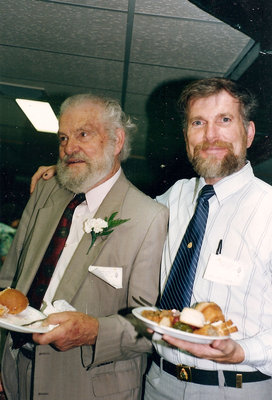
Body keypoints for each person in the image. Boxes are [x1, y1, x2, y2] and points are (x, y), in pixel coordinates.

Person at [27, 77, 272, 399]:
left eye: (224, 120)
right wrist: (66, 171)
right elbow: (115, 199)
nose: (211, 135)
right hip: (157, 383)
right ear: (186, 135)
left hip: (236, 386)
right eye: (198, 123)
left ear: (249, 132)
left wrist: (240, 351)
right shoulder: (173, 199)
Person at [0, 93, 168, 400]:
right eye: (63, 137)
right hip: (16, 371)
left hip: (86, 385)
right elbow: (9, 281)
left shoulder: (149, 217)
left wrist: (94, 332)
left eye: (83, 134)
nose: (69, 147)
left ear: (117, 141)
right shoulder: (46, 191)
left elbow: (150, 326)